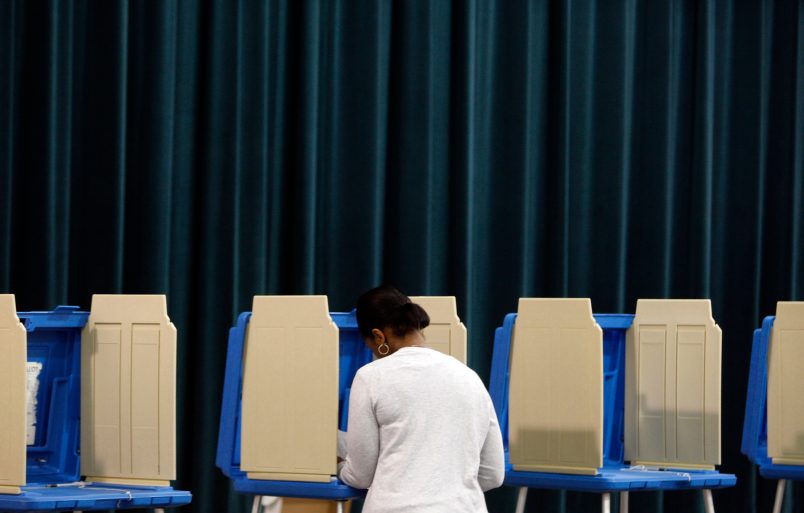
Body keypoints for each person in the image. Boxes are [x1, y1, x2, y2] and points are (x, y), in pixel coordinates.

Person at [338, 285, 505, 513]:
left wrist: (339, 467)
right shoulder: (469, 377)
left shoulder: (371, 377)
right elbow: (493, 474)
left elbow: (360, 475)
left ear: (378, 336)